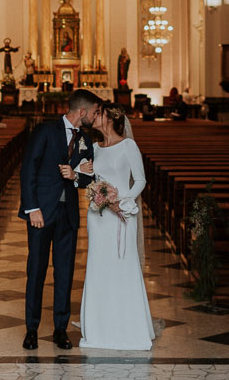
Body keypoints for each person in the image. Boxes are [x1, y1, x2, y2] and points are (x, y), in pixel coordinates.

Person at [18, 88, 101, 350]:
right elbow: (28, 169)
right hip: (41, 214)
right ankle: (31, 329)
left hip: (68, 216)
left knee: (65, 273)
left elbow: (89, 178)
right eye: (95, 112)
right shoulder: (45, 131)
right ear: (82, 112)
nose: (96, 117)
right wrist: (33, 209)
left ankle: (60, 329)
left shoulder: (85, 139)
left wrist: (75, 176)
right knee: (37, 271)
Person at [78, 103, 155, 350]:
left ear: (110, 119)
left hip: (123, 214)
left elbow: (140, 179)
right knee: (99, 267)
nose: (94, 116)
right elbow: (92, 181)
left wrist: (123, 201)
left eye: (98, 113)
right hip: (98, 216)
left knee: (123, 264)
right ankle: (99, 327)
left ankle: (127, 326)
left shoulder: (128, 146)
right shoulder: (95, 148)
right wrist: (83, 172)